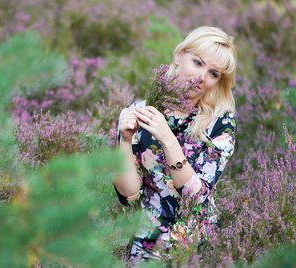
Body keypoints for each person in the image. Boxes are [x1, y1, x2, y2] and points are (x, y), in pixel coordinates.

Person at [113, 26, 237, 264]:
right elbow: (128, 196)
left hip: (198, 247)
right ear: (179, 56)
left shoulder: (220, 124)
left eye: (213, 73)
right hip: (148, 245)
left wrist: (168, 139)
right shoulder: (141, 113)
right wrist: (126, 141)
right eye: (198, 63)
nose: (201, 77)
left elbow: (196, 196)